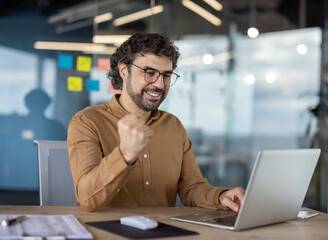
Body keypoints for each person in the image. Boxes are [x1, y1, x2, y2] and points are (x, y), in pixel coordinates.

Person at [67, 32, 245, 212]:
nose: (159, 84)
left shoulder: (173, 126)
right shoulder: (87, 122)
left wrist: (220, 197)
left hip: (161, 231)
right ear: (124, 71)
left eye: (166, 75)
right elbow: (87, 198)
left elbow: (191, 188)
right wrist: (124, 154)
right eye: (149, 73)